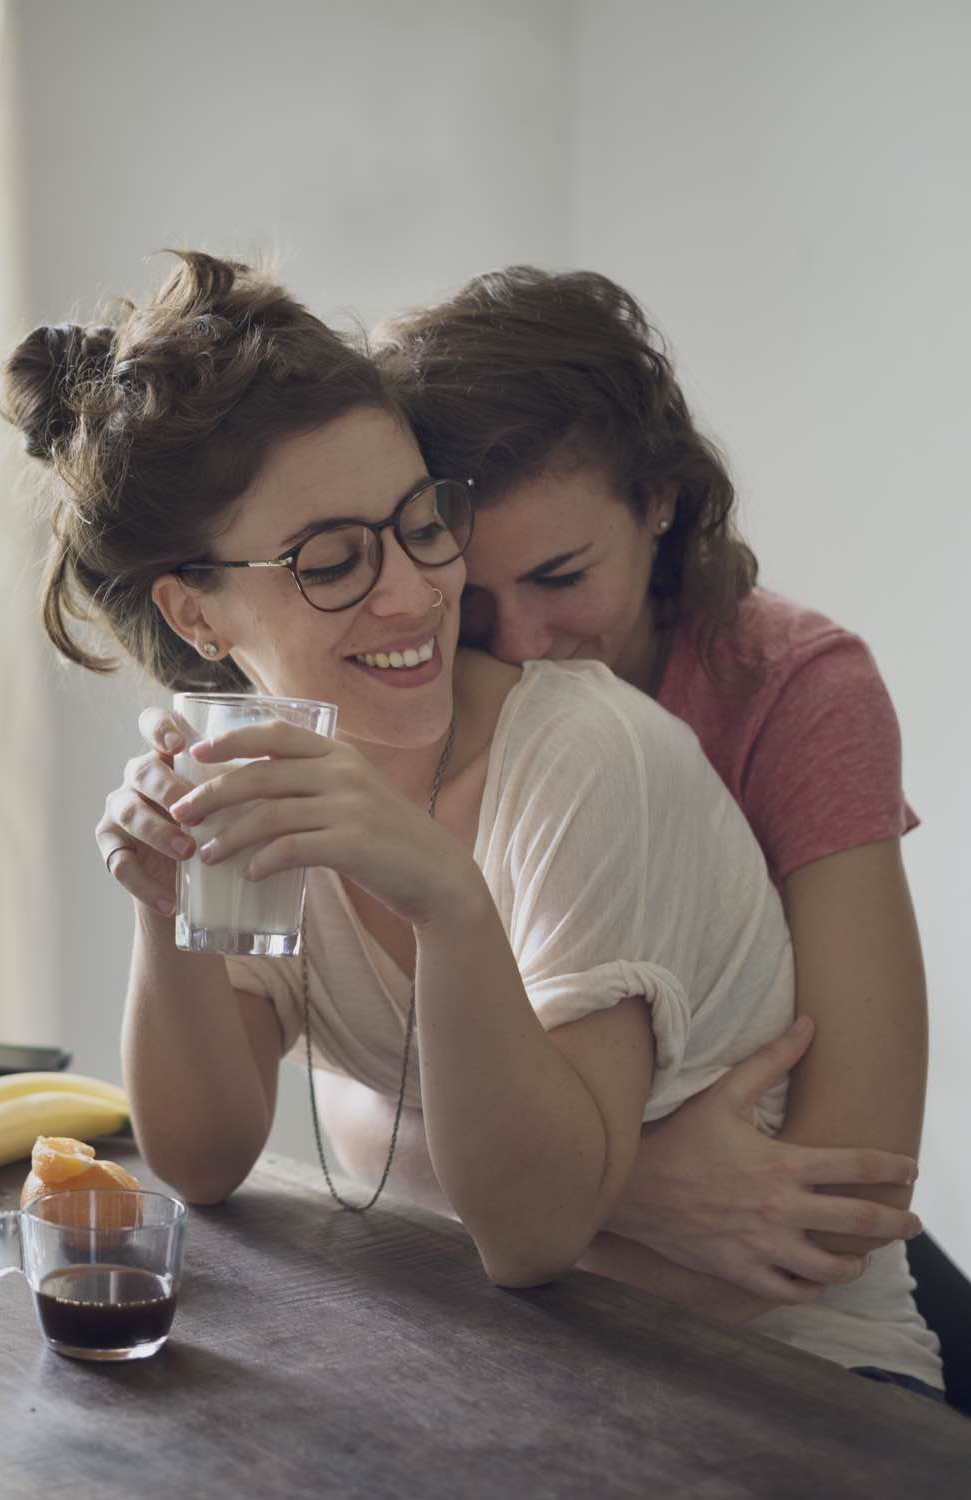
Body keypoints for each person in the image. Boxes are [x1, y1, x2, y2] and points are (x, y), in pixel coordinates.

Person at [1, 251, 941, 1398]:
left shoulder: (623, 741)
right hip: (527, 1354)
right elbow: (203, 1158)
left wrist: (447, 898)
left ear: (656, 511)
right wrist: (165, 901)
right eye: (335, 561)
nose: (422, 598)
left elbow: (551, 1228)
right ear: (194, 612)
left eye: (419, 527)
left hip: (775, 1373)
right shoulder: (263, 755)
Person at [372, 269, 937, 1391]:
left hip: (768, 1334)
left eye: (562, 577)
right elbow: (363, 1098)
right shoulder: (410, 695)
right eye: (469, 601)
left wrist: (552, 1199)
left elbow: (850, 1190)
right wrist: (636, 1186)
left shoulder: (794, 691)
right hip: (555, 1308)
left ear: (663, 502)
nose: (520, 644)